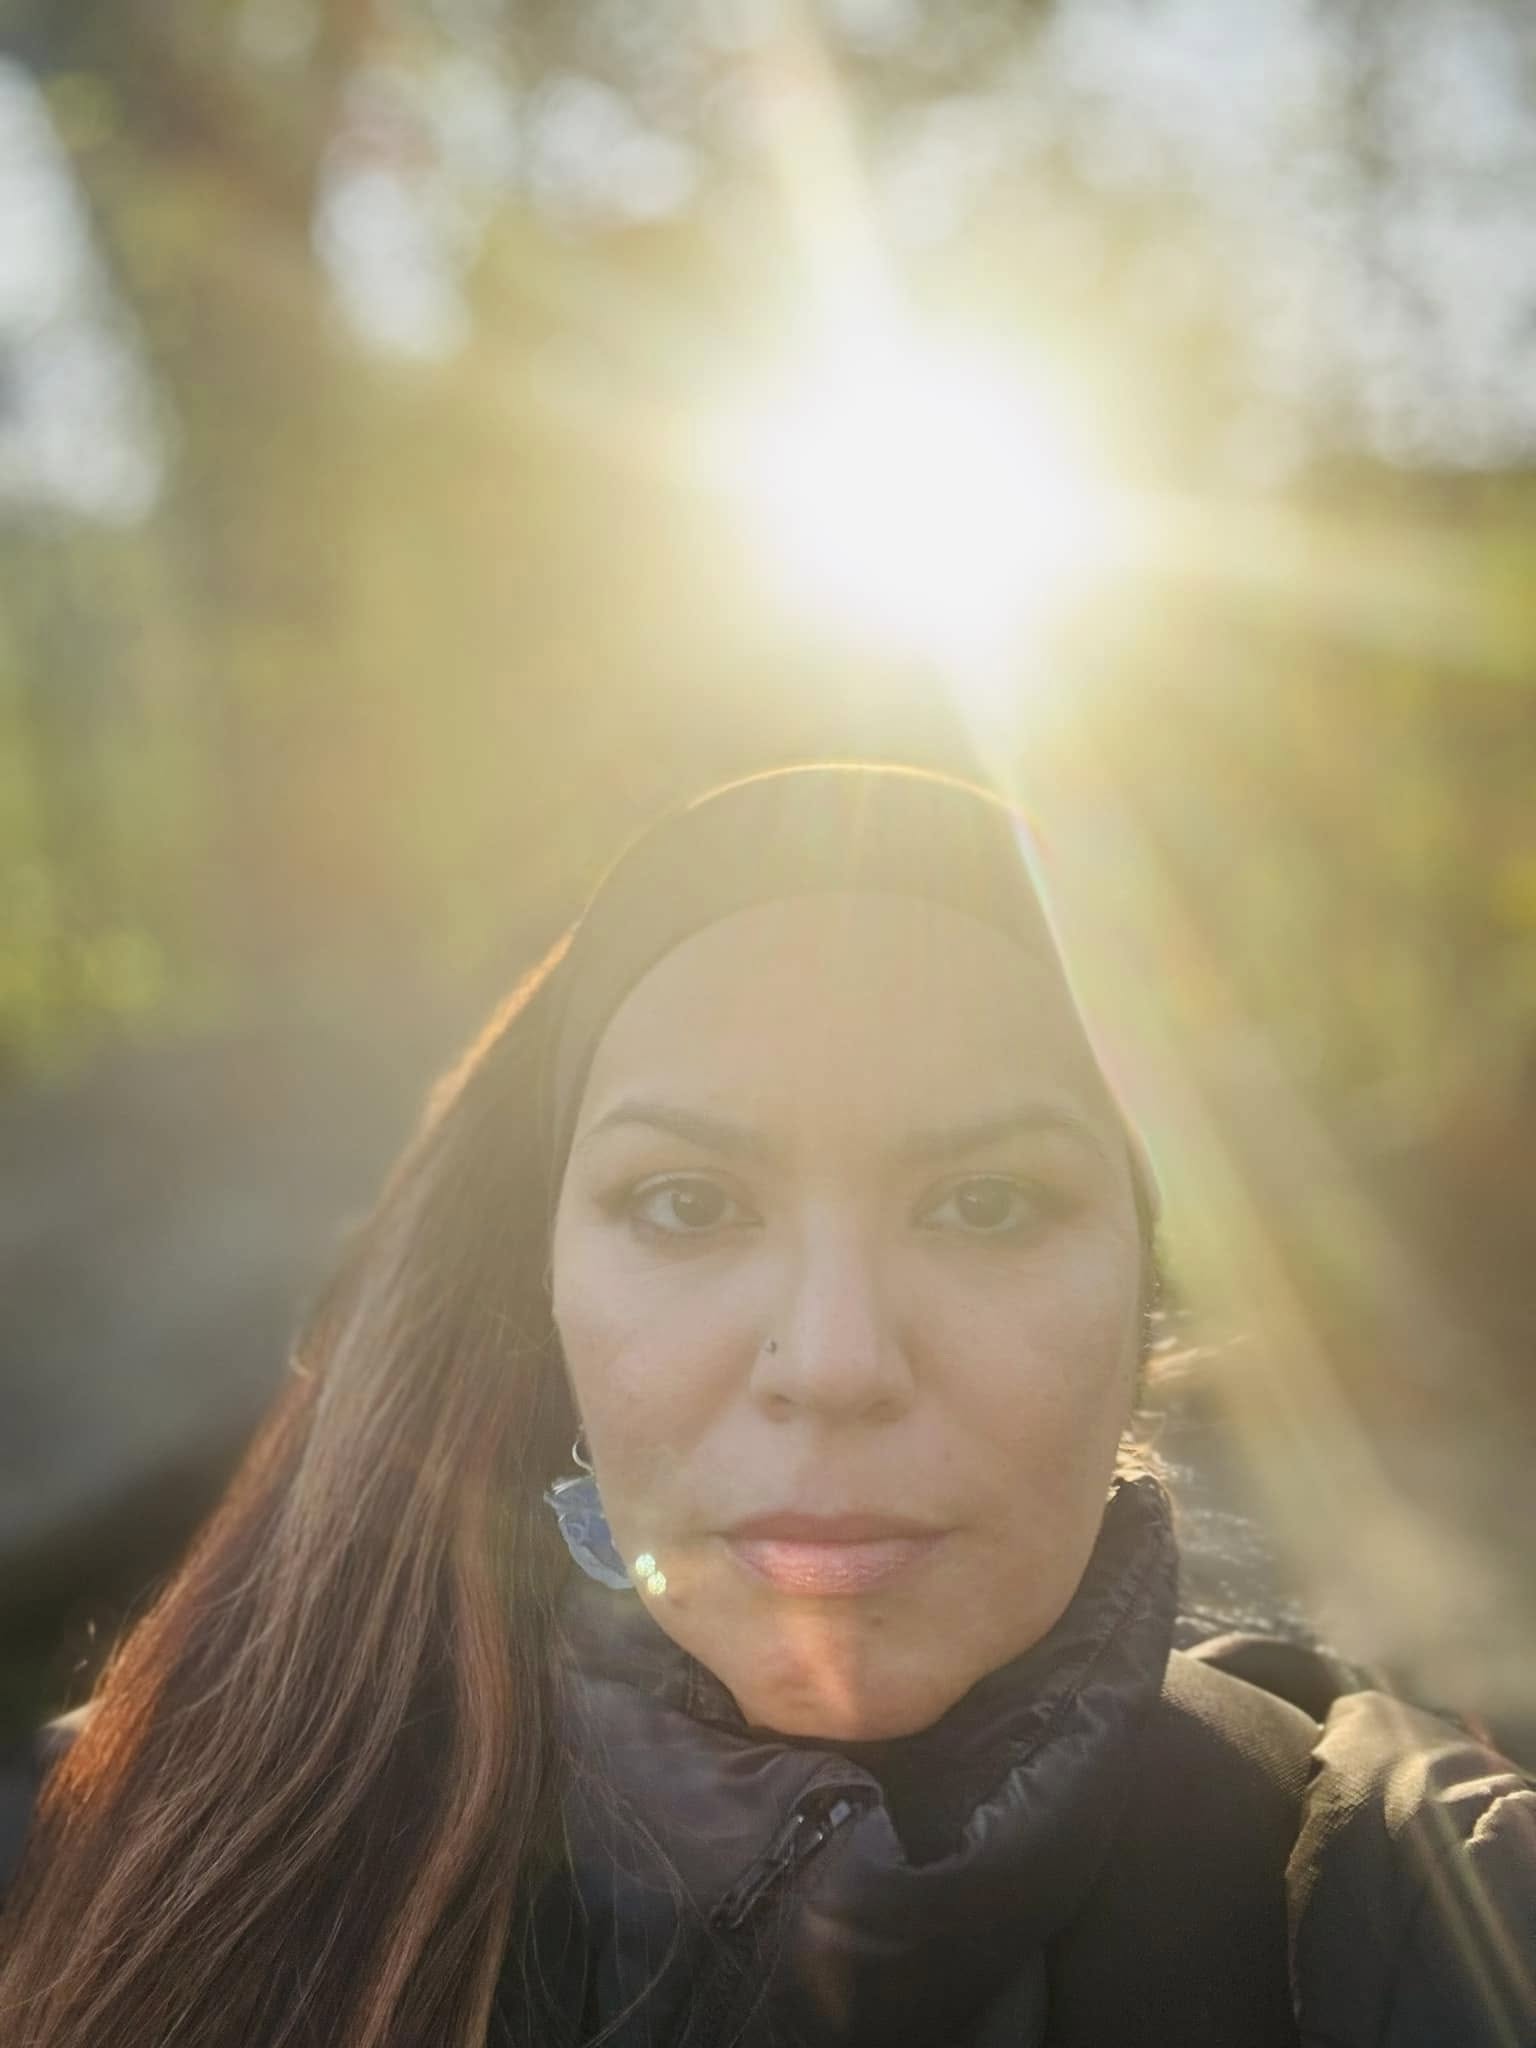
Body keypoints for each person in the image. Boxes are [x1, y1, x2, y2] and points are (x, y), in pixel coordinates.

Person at [1, 763, 1532, 2048]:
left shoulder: (1432, 1911)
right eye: (685, 1203)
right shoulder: (109, 1852)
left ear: (1142, 1301)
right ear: (544, 1296)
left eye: (990, 1203)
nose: (836, 1360)